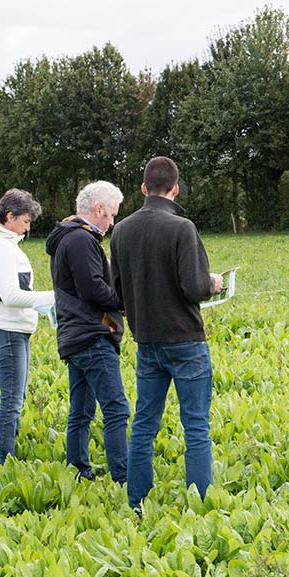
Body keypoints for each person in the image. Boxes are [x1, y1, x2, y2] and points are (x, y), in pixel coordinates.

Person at [110, 156, 224, 509]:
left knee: (144, 423)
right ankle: (200, 503)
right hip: (186, 340)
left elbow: (116, 292)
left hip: (147, 342)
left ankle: (137, 501)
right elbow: (194, 287)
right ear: (175, 189)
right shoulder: (182, 228)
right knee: (195, 426)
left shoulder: (121, 230)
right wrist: (214, 283)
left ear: (143, 188)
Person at [45, 181, 129, 483]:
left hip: (74, 336)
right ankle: (123, 476)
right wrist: (123, 304)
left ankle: (78, 470)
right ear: (98, 209)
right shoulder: (81, 240)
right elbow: (92, 287)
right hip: (92, 335)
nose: (112, 223)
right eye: (111, 216)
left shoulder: (66, 238)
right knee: (117, 409)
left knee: (80, 411)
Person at [0, 188, 55, 463]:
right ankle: (4, 461)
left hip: (17, 331)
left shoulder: (8, 246)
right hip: (7, 332)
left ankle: (8, 455)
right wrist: (53, 298)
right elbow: (10, 295)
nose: (27, 227)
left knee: (16, 398)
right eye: (25, 221)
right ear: (9, 217)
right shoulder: (0, 247)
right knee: (11, 401)